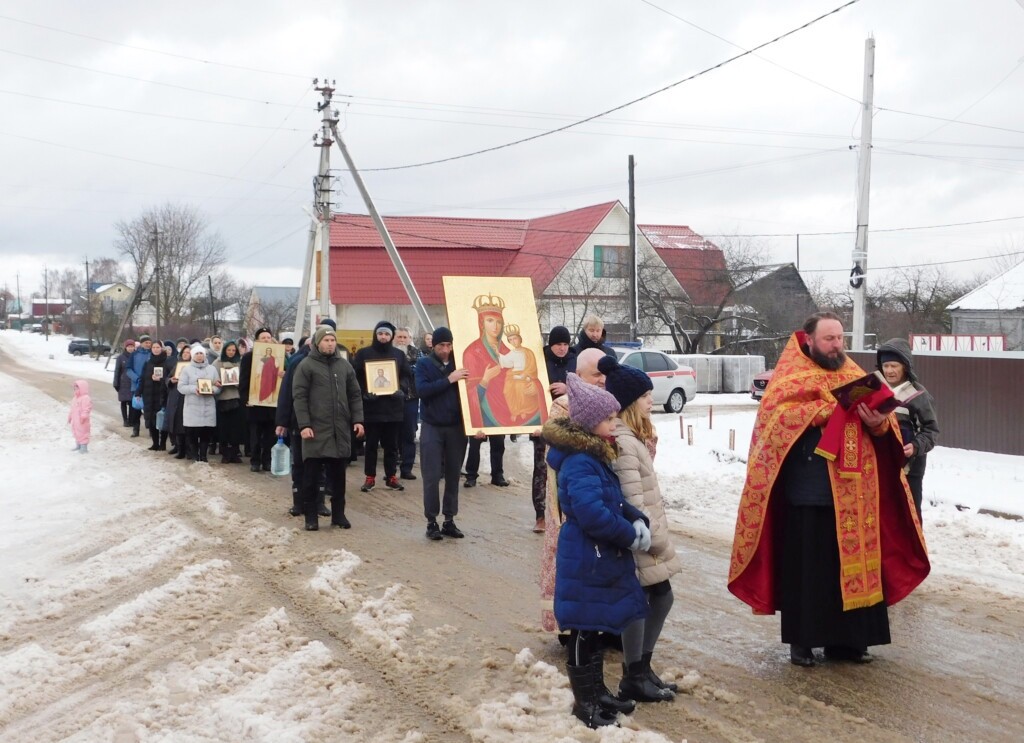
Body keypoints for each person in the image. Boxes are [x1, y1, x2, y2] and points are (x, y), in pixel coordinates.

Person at [728, 312, 930, 667]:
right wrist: (823, 411)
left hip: (856, 492)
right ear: (809, 340)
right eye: (829, 339)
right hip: (809, 491)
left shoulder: (854, 374)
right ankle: (803, 642)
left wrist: (880, 425)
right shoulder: (788, 377)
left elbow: (886, 434)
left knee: (852, 563)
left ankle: (850, 641)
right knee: (810, 568)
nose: (837, 346)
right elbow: (772, 425)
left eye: (840, 338)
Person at [543, 373, 651, 729]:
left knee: (597, 629)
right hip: (587, 557)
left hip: (598, 556)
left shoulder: (596, 456)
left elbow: (614, 500)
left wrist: (636, 518)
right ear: (591, 424)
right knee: (582, 631)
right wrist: (628, 535)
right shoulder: (579, 461)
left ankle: (598, 690)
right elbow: (592, 514)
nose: (614, 423)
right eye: (608, 418)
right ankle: (583, 702)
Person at [601, 355, 680, 702]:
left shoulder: (631, 437)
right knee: (648, 599)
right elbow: (634, 497)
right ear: (631, 401)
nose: (651, 400)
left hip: (644, 537)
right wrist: (655, 540)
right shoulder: (624, 442)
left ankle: (641, 668)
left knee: (655, 597)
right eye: (646, 395)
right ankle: (634, 673)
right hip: (639, 540)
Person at [540, 347, 607, 634]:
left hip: (602, 496)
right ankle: (566, 626)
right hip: (569, 499)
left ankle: (605, 624)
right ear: (578, 376)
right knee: (569, 560)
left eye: (605, 373)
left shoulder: (612, 404)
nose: (602, 380)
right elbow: (557, 451)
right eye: (596, 375)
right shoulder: (564, 405)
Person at [292, 325, 364, 531]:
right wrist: (304, 425)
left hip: (339, 430)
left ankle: (339, 515)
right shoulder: (306, 366)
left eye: (333, 340)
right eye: (326, 340)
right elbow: (299, 397)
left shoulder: (344, 366)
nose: (330, 344)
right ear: (317, 343)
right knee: (311, 477)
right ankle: (311, 516)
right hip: (315, 430)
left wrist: (358, 419)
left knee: (339, 477)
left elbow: (355, 395)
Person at [415, 326, 470, 541]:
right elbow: (423, 391)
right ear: (433, 345)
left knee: (453, 475)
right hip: (432, 426)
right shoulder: (424, 364)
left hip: (456, 427)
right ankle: (431, 521)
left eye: (448, 345)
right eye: (441, 346)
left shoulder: (460, 363)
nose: (445, 350)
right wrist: (449, 379)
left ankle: (449, 519)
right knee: (431, 475)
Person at [876, 338, 940, 522]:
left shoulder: (919, 396)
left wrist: (915, 446)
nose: (889, 370)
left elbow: (931, 430)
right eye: (885, 365)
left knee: (908, 519)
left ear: (905, 366)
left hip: (909, 470)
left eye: (894, 365)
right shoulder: (874, 389)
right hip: (878, 467)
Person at [463, 294, 543, 429]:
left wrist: (535, 387)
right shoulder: (471, 353)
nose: (495, 326)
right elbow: (467, 393)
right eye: (490, 320)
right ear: (482, 323)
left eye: (499, 321)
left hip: (516, 407)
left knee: (499, 447)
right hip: (487, 413)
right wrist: (485, 380)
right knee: (476, 448)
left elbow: (531, 373)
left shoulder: (510, 351)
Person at [352, 320, 412, 492]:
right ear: (375, 335)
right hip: (372, 408)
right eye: (380, 333)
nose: (383, 337)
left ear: (391, 336)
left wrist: (401, 388)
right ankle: (370, 477)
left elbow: (407, 376)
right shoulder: (364, 354)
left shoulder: (399, 355)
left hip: (393, 408)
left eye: (386, 334)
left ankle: (391, 476)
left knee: (391, 445)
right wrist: (364, 392)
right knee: (371, 445)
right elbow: (356, 378)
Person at [530, 326, 577, 533]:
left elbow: (586, 387)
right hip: (544, 422)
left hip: (568, 424)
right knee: (541, 469)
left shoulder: (575, 361)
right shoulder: (541, 361)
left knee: (566, 469)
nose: (562, 348)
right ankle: (540, 516)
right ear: (551, 344)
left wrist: (569, 388)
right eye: (558, 344)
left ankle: (564, 513)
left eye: (565, 344)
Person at [239, 327, 282, 472]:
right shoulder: (249, 357)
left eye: (268, 337)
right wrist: (246, 399)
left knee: (270, 436)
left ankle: (267, 461)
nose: (266, 340)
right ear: (257, 340)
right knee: (255, 435)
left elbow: (281, 374)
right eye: (263, 338)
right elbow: (244, 380)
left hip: (271, 402)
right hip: (255, 401)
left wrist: (283, 374)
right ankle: (255, 461)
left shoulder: (278, 356)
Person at [177, 343, 222, 463]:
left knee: (205, 433)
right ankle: (195, 456)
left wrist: (212, 390)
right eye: (196, 353)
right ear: (192, 355)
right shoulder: (186, 369)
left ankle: (203, 456)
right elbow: (181, 387)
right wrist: (194, 389)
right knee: (192, 434)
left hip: (208, 406)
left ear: (205, 355)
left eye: (201, 353)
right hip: (192, 406)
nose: (199, 355)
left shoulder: (212, 369)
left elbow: (218, 386)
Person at [394, 327, 421, 481]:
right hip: (391, 400)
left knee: (409, 434)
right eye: (399, 337)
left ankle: (407, 468)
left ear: (410, 338)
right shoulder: (389, 352)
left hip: (410, 398)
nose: (402, 340)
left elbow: (418, 371)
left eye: (405, 337)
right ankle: (391, 471)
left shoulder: (417, 354)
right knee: (392, 435)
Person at [213, 340, 246, 464]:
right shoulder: (217, 362)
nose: (231, 352)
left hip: (236, 398)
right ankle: (225, 453)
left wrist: (238, 383)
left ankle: (235, 452)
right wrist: (217, 382)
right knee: (224, 428)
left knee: (236, 428)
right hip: (222, 398)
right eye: (229, 350)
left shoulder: (239, 363)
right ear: (224, 350)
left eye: (233, 350)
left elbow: (244, 379)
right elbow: (212, 377)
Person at [141, 340, 168, 451]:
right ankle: (155, 443)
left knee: (161, 419)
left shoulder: (167, 362)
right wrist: (139, 392)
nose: (156, 349)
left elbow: (169, 378)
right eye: (154, 347)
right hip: (148, 394)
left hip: (162, 395)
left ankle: (163, 444)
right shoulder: (148, 362)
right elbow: (142, 378)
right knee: (151, 420)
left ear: (161, 348)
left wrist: (161, 379)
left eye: (158, 347)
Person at [164, 345, 190, 459]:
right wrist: (171, 380)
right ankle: (179, 447)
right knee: (176, 423)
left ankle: (188, 449)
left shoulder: (194, 366)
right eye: (184, 352)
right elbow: (168, 378)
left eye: (188, 352)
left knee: (186, 424)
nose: (186, 354)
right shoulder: (177, 365)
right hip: (175, 396)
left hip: (187, 397)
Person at [125, 334, 153, 437]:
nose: (148, 344)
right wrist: (136, 378)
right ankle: (135, 429)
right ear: (141, 343)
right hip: (136, 385)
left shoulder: (152, 354)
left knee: (149, 408)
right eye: (146, 342)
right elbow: (128, 369)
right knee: (136, 408)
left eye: (150, 343)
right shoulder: (134, 355)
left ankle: (151, 430)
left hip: (150, 385)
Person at [112, 339, 136, 427]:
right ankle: (125, 420)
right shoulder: (121, 358)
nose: (130, 348)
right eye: (129, 347)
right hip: (123, 383)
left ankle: (131, 420)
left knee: (131, 403)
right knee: (123, 402)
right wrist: (116, 383)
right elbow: (117, 371)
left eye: (132, 347)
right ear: (125, 347)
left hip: (133, 382)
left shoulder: (135, 356)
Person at [68, 379, 93, 453]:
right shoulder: (75, 398)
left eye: (77, 388)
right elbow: (72, 409)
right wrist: (70, 416)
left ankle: (84, 447)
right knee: (76, 431)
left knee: (83, 432)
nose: (75, 389)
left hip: (82, 420)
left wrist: (84, 416)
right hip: (76, 420)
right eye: (75, 388)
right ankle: (78, 445)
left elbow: (86, 408)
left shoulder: (86, 398)